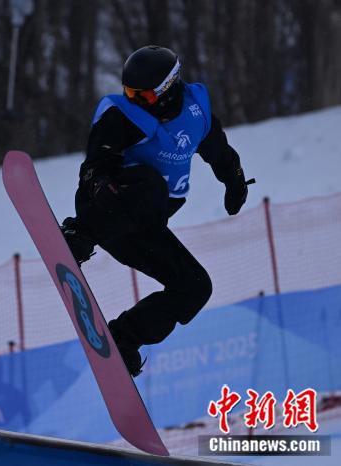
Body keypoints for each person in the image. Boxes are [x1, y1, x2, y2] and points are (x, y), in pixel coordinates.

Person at [61, 45, 252, 377]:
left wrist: (234, 182)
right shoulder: (121, 115)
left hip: (141, 228)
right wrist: (98, 189)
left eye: (144, 95)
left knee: (194, 286)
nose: (135, 100)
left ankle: (123, 339)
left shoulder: (196, 115)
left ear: (168, 90)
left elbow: (220, 153)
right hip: (106, 207)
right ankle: (79, 235)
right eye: (129, 92)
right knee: (151, 185)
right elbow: (94, 166)